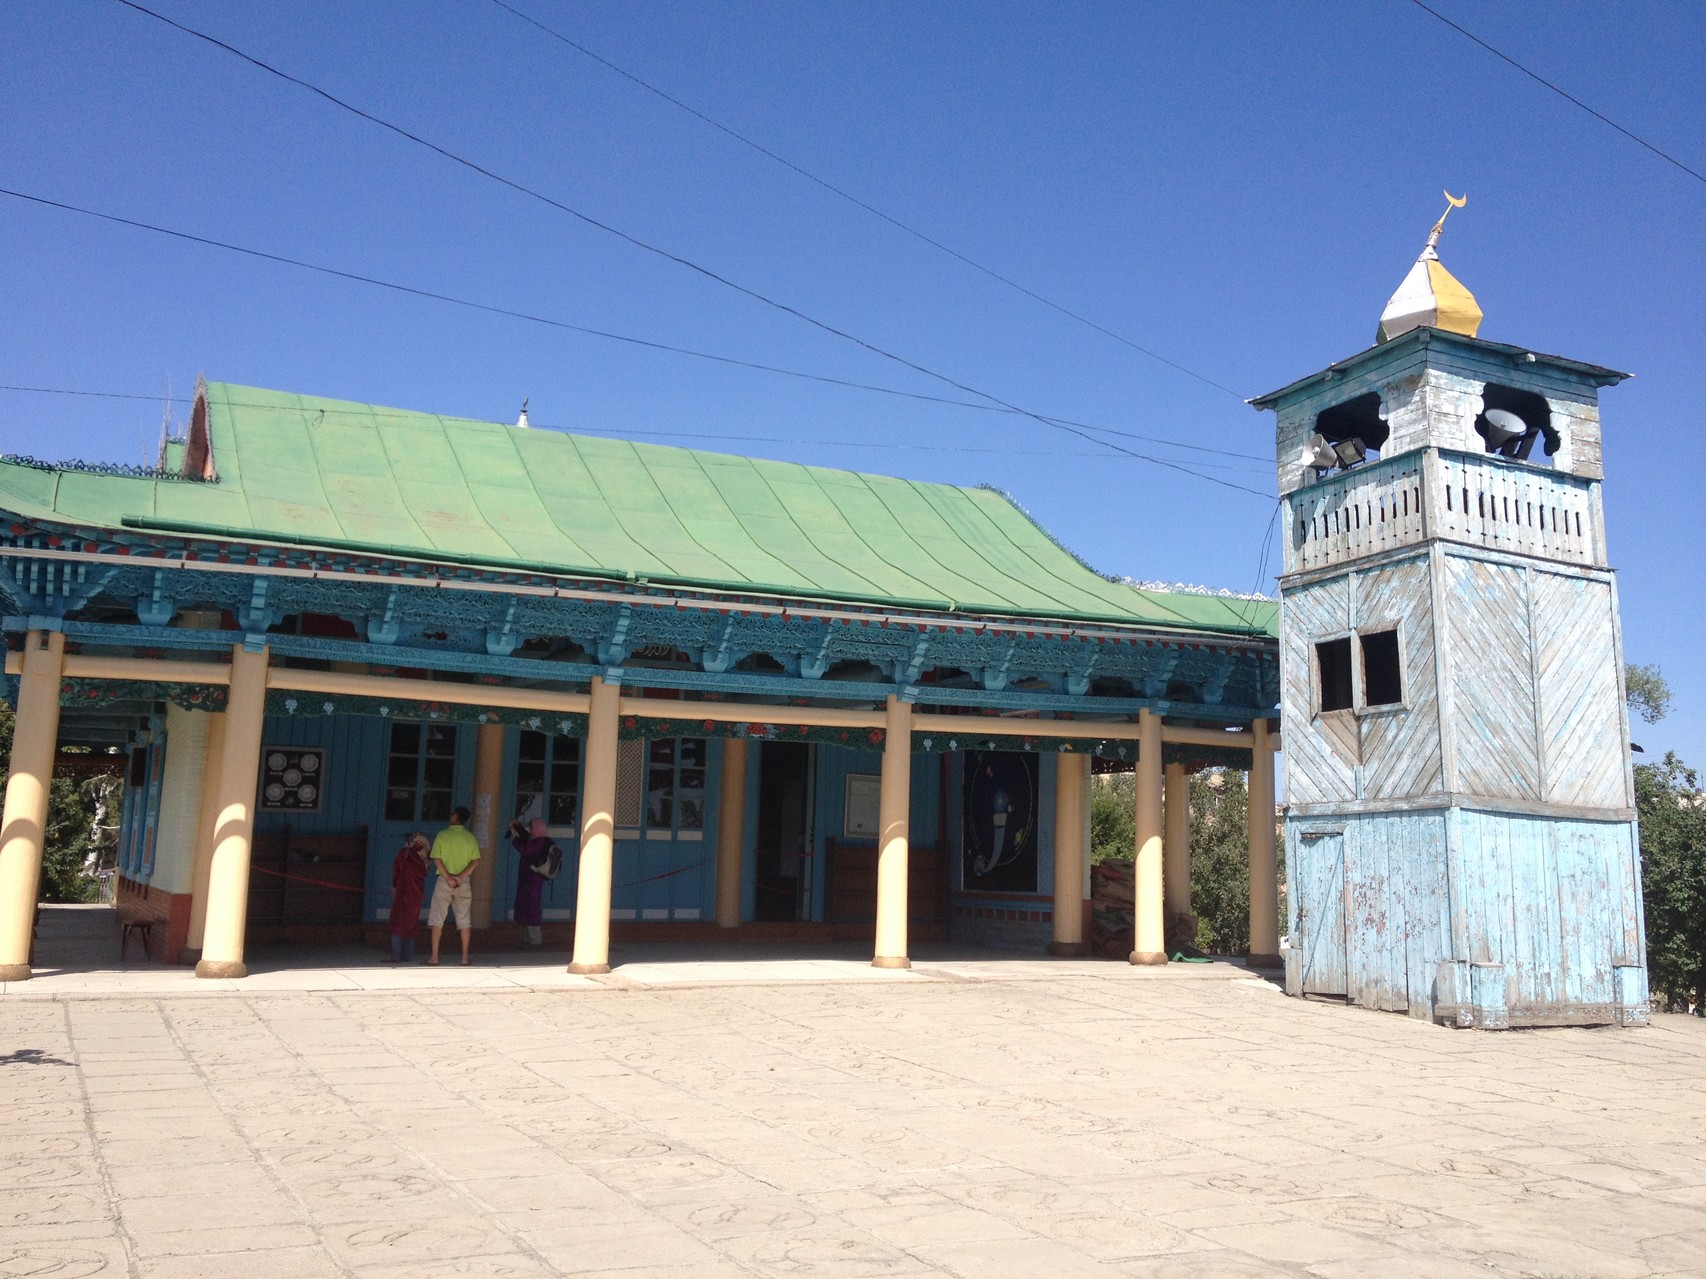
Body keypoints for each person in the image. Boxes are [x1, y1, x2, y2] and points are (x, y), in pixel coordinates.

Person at [427, 805, 480, 965]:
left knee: (437, 919)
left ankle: (434, 957)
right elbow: (475, 862)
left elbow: (436, 858)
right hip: (463, 883)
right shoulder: (470, 837)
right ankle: (464, 958)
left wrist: (448, 877)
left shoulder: (442, 835)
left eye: (452, 814)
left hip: (444, 881)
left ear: (455, 817)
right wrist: (460, 877)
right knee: (464, 920)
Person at [508, 817, 552, 947]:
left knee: (531, 906)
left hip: (532, 880)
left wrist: (514, 838)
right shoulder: (537, 840)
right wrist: (517, 827)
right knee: (526, 905)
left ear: (537, 828)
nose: (530, 829)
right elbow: (525, 836)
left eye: (532, 827)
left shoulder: (539, 842)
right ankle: (528, 938)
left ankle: (535, 939)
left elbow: (525, 849)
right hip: (528, 879)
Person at [388, 832, 430, 963]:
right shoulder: (426, 858)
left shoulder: (405, 853)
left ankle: (396, 956)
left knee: (397, 922)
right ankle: (407, 957)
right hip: (417, 894)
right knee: (411, 923)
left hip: (402, 892)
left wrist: (394, 886)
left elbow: (396, 869)